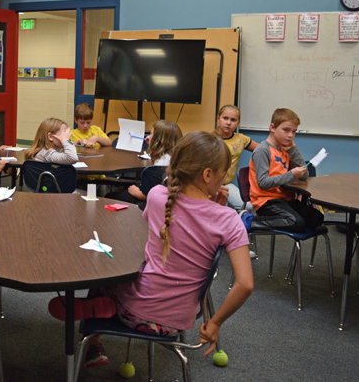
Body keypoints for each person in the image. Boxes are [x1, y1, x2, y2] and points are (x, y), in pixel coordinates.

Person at [51, 132, 254, 369]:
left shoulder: (158, 196)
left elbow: (156, 227)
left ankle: (95, 337)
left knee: (104, 268)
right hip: (176, 322)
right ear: (208, 175)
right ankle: (103, 311)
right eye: (223, 174)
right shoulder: (229, 219)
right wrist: (215, 323)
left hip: (134, 311)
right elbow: (245, 284)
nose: (223, 179)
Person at [241, 108, 323, 233]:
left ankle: (290, 222)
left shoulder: (285, 149)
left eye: (294, 132)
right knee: (295, 222)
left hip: (285, 199)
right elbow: (263, 183)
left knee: (317, 218)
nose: (291, 135)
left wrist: (293, 149)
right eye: (286, 130)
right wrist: (291, 174)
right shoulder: (263, 150)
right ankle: (248, 220)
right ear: (272, 127)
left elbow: (304, 175)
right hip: (266, 201)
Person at [105, 120, 182, 204]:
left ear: (158, 141)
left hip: (153, 201)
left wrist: (136, 192)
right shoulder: (177, 159)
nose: (147, 137)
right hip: (173, 201)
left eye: (151, 134)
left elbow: (149, 196)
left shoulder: (160, 165)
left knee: (109, 197)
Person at [214, 105, 258, 211]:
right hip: (209, 186)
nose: (228, 123)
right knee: (218, 209)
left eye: (233, 120)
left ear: (238, 123)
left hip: (227, 184)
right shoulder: (209, 138)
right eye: (225, 118)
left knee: (248, 206)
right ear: (218, 119)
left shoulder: (241, 139)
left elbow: (262, 150)